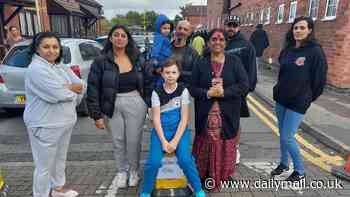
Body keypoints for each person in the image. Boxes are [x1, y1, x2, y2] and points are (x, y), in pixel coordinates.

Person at [24, 32, 86, 197]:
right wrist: (69, 89)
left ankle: (57, 189)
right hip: (45, 124)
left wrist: (68, 88)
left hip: (64, 122)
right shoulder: (36, 69)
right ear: (37, 49)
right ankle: (41, 194)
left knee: (59, 160)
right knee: (44, 166)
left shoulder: (59, 66)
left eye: (55, 47)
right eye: (46, 47)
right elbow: (57, 95)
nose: (51, 51)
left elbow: (81, 85)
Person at [86, 25, 148, 188]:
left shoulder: (138, 58)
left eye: (123, 35)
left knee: (134, 140)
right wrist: (96, 115)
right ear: (111, 38)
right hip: (111, 104)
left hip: (135, 101)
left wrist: (151, 104)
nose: (120, 38)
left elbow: (148, 81)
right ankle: (122, 171)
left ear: (128, 39)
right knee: (118, 140)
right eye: (116, 35)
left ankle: (134, 171)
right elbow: (92, 87)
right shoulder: (101, 60)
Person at [190, 28, 249, 192]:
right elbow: (192, 88)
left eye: (221, 39)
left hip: (228, 112)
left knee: (224, 143)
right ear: (208, 42)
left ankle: (222, 175)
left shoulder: (235, 61)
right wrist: (207, 93)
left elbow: (244, 84)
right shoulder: (201, 62)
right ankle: (204, 175)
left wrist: (225, 92)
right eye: (214, 39)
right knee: (207, 142)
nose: (217, 42)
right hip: (205, 113)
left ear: (225, 42)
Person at [271, 16, 328, 182]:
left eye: (302, 28)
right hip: (281, 98)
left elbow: (320, 80)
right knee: (282, 134)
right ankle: (283, 164)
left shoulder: (315, 51)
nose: (298, 31)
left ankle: (300, 171)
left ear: (310, 30)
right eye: (296, 28)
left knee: (287, 137)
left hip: (298, 102)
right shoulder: (288, 49)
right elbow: (282, 72)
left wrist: (308, 97)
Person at [140, 58, 205, 197]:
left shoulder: (183, 91)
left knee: (185, 160)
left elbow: (184, 119)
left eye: (174, 72)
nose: (170, 75)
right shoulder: (156, 92)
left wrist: (175, 141)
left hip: (179, 132)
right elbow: (156, 119)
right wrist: (164, 142)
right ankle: (145, 192)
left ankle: (198, 190)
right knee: (154, 162)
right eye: (167, 72)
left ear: (179, 74)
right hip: (160, 132)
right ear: (162, 74)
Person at [224, 15, 257, 165]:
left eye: (234, 25)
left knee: (234, 122)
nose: (231, 28)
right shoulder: (220, 41)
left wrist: (246, 89)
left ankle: (234, 149)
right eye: (229, 25)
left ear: (239, 27)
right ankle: (222, 148)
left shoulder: (246, 45)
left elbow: (252, 70)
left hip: (237, 91)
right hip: (219, 90)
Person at [171, 20, 200, 88]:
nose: (182, 31)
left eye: (185, 29)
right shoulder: (165, 49)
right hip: (165, 90)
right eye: (180, 28)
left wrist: (178, 72)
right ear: (175, 30)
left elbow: (196, 74)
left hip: (185, 91)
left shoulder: (193, 53)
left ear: (189, 33)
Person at [150, 14, 173, 87]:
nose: (167, 30)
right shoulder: (159, 37)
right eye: (164, 28)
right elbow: (155, 50)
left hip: (164, 61)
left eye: (168, 28)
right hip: (161, 62)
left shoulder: (163, 37)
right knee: (162, 81)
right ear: (158, 28)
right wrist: (156, 63)